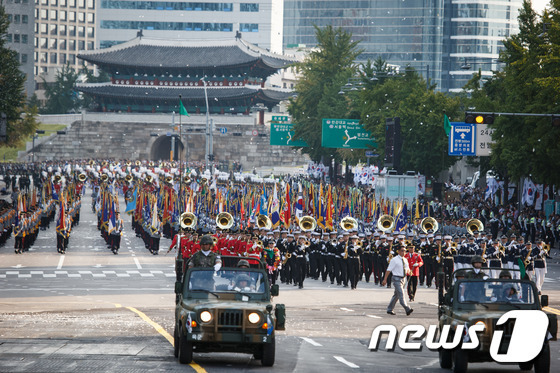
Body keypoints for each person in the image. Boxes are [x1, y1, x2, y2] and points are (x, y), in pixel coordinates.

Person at [382, 246, 413, 316]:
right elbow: (388, 270)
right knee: (401, 294)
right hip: (396, 278)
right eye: (402, 251)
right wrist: (385, 279)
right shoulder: (394, 260)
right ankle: (407, 308)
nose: (404, 252)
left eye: (405, 251)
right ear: (398, 251)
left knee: (396, 295)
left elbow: (407, 268)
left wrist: (409, 271)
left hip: (403, 278)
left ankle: (390, 309)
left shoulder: (405, 259)